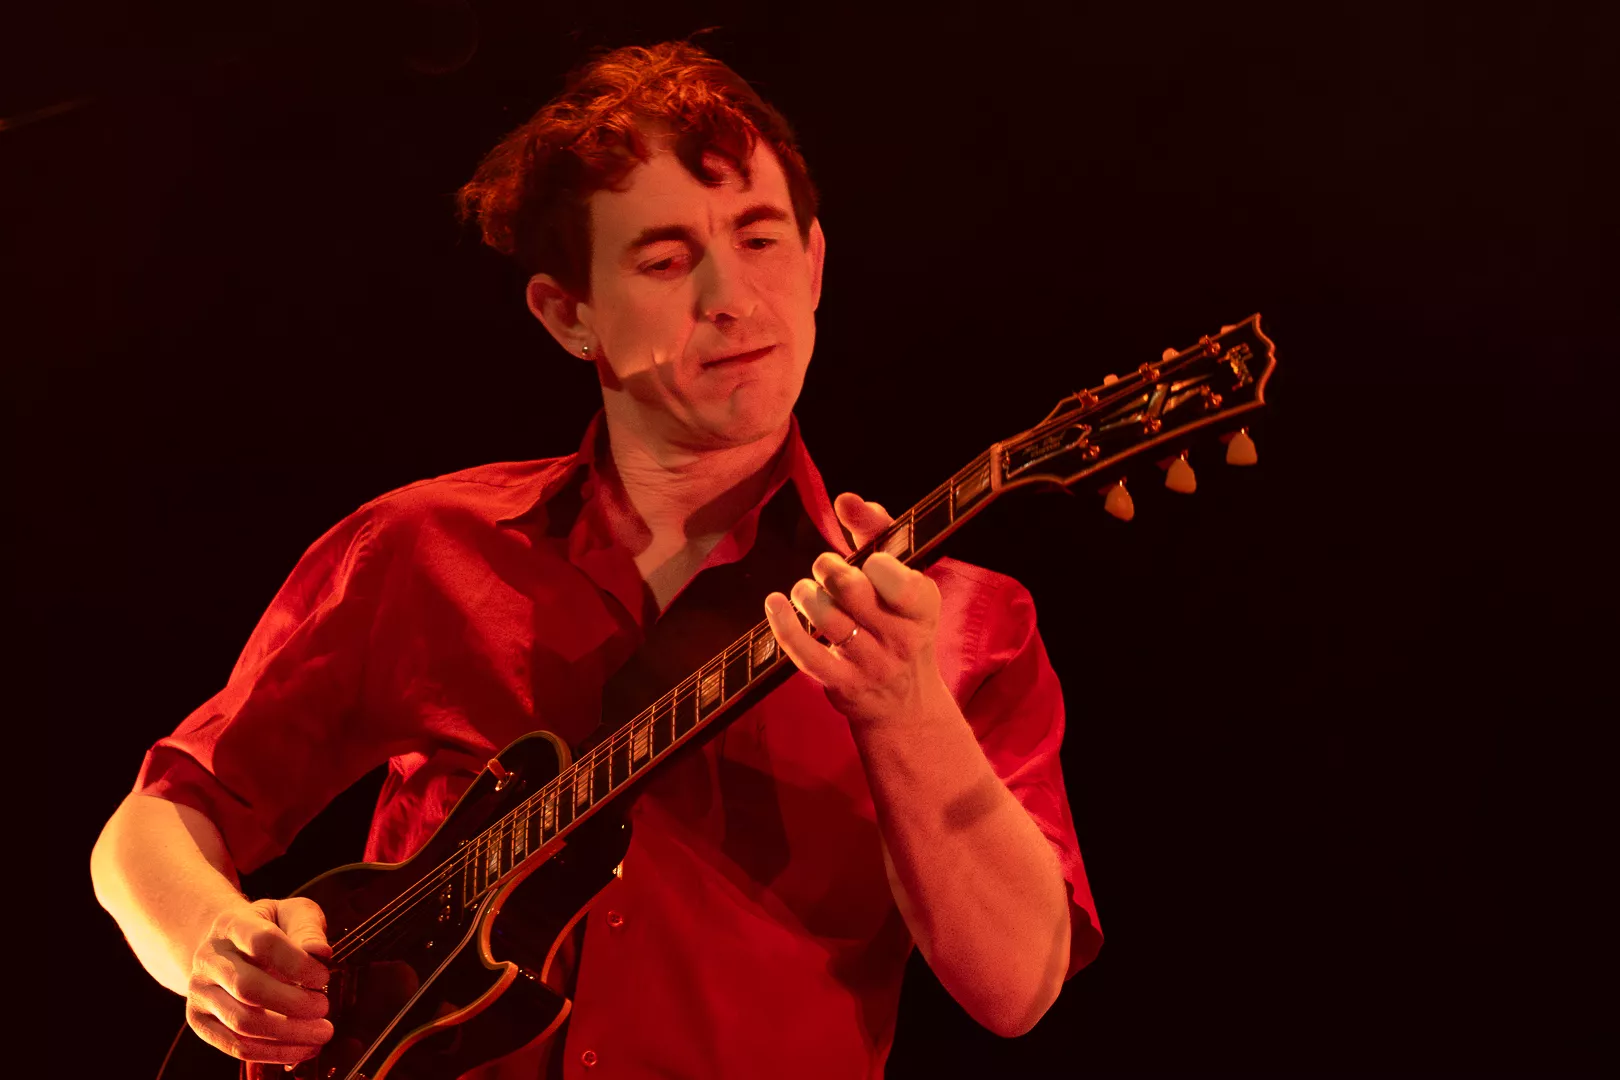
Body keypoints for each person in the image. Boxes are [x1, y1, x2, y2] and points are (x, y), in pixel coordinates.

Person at [91, 41, 1103, 1079]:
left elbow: (1018, 988)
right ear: (567, 315)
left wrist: (904, 707)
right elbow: (155, 823)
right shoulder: (422, 549)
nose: (730, 296)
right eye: (664, 261)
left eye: (760, 239)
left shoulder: (961, 623)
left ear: (813, 266)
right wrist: (213, 945)